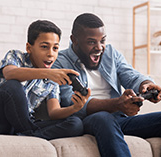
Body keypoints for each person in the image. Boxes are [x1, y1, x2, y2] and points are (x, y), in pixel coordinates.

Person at [52, 13, 161, 157]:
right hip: (87, 121)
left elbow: (130, 75)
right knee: (103, 117)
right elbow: (70, 103)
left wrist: (146, 84)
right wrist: (117, 104)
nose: (99, 47)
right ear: (75, 40)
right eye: (91, 42)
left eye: (102, 40)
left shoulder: (110, 53)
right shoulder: (59, 62)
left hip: (119, 119)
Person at [0, 20, 90, 140]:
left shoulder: (52, 80)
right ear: (29, 47)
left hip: (24, 124)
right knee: (12, 86)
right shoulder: (16, 56)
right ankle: (29, 134)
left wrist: (75, 108)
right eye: (44, 47)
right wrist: (48, 73)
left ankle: (26, 136)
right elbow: (10, 74)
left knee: (76, 123)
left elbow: (54, 112)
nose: (50, 54)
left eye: (55, 48)